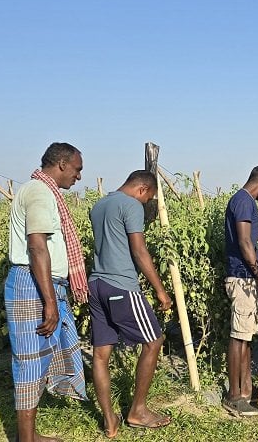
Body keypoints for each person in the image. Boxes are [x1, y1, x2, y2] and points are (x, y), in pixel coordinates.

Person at [4, 142, 89, 442]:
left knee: (42, 357)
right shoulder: (40, 192)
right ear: (63, 164)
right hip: (34, 285)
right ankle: (26, 439)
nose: (78, 176)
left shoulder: (43, 192)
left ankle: (30, 434)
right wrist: (50, 302)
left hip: (43, 284)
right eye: (77, 169)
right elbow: (37, 245)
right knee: (30, 362)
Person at [87, 170, 173, 437]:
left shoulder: (99, 205)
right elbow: (138, 250)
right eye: (149, 199)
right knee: (154, 341)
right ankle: (137, 411)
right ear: (142, 190)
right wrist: (161, 290)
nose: (147, 204)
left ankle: (110, 421)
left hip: (96, 285)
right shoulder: (131, 205)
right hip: (120, 286)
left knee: (101, 355)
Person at [222, 165, 258, 417]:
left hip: (247, 278)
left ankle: (245, 391)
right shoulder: (243, 201)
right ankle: (233, 397)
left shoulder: (244, 201)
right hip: (242, 277)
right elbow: (244, 241)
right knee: (238, 335)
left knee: (246, 336)